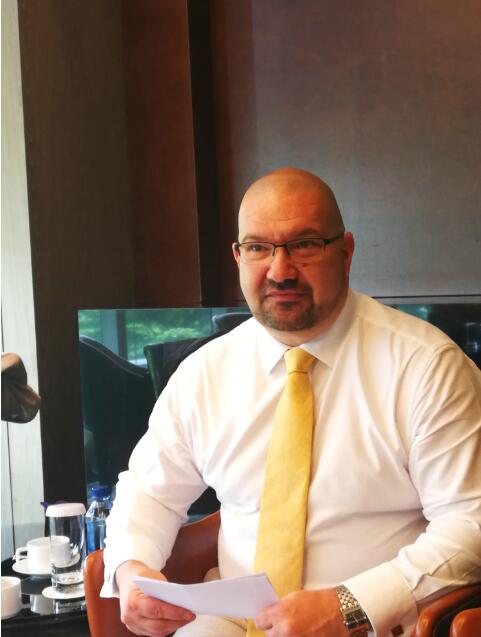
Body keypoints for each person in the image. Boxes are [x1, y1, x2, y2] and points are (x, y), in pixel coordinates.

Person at [102, 168, 481, 637]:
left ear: (345, 252)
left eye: (304, 245)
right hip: (233, 621)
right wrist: (131, 570)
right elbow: (149, 492)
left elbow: (470, 524)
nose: (280, 271)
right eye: (258, 248)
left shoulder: (427, 368)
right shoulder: (205, 374)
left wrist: (348, 606)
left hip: (371, 624)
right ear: (238, 257)